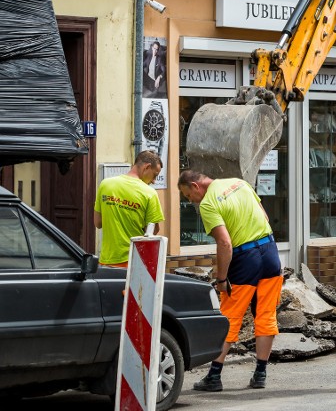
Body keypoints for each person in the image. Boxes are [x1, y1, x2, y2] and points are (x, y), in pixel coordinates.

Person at [178, 170, 282, 392]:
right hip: (270, 251)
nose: (190, 201)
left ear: (196, 186)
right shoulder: (239, 183)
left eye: (188, 195)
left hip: (245, 258)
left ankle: (214, 376)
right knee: (266, 314)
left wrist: (221, 279)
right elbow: (263, 216)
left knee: (230, 317)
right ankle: (260, 373)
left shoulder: (208, 204)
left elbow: (224, 243)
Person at [93, 151, 164, 267]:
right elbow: (152, 231)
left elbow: (98, 222)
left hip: (107, 261)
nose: (154, 181)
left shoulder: (105, 185)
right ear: (147, 167)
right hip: (134, 262)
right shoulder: (150, 193)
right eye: (155, 175)